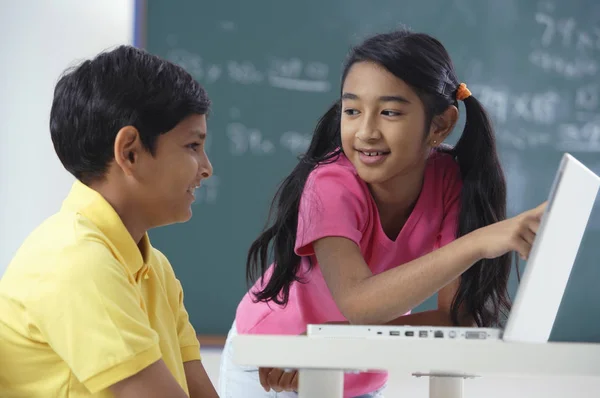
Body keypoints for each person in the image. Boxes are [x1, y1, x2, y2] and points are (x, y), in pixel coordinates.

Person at [219, 28, 545, 398]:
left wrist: (335, 343)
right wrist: (477, 244)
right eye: (353, 110)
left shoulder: (452, 182)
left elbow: (455, 318)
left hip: (355, 361)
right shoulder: (329, 184)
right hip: (276, 361)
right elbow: (360, 305)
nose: (366, 131)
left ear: (440, 124)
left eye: (389, 112)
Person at [0, 45, 219, 398]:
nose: (206, 168)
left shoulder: (155, 270)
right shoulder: (75, 259)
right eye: (193, 146)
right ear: (130, 151)